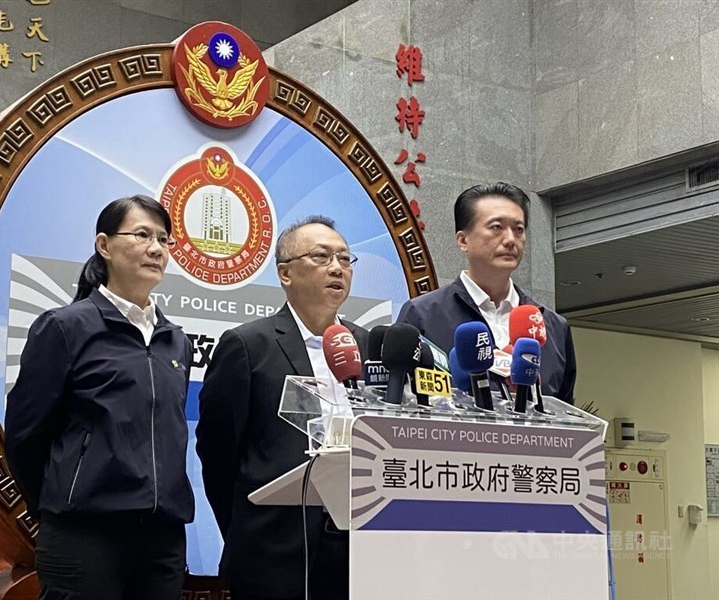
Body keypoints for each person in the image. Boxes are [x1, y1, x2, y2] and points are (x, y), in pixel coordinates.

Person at [4, 194, 195, 600]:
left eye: (164, 240)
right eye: (142, 234)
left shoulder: (175, 340)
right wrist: (62, 503)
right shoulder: (64, 328)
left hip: (162, 536)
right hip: (83, 534)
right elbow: (25, 435)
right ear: (104, 245)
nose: (156, 249)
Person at [196, 215, 368, 600]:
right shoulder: (247, 346)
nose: (337, 268)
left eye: (344, 259)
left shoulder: (369, 345)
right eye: (322, 257)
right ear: (285, 274)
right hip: (274, 551)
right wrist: (248, 530)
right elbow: (218, 455)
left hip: (360, 550)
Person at [397, 182, 577, 403]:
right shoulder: (423, 314)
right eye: (496, 227)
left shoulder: (553, 326)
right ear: (463, 240)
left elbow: (566, 412)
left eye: (518, 229)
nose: (510, 239)